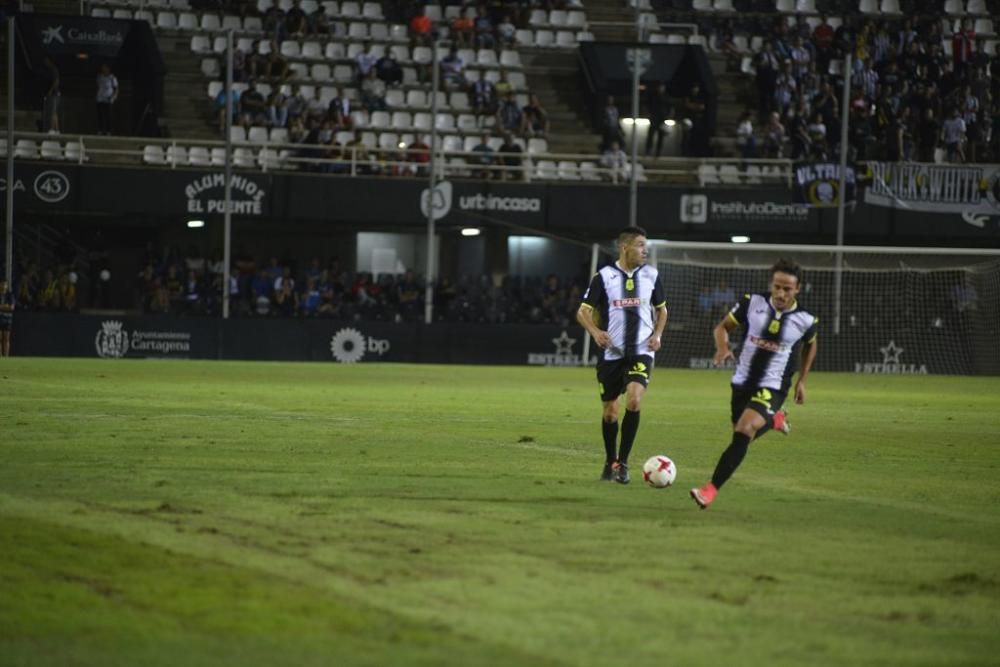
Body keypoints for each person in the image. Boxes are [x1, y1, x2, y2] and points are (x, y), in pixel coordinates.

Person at [690, 259, 818, 510]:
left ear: (798, 289)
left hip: (773, 385)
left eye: (787, 289)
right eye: (777, 286)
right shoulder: (752, 303)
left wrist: (801, 380)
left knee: (745, 429)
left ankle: (710, 490)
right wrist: (723, 347)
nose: (781, 293)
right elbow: (722, 327)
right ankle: (775, 420)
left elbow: (811, 345)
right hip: (742, 381)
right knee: (740, 431)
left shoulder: (805, 319)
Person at [576, 226, 668, 484]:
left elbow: (662, 311)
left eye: (645, 245)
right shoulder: (604, 277)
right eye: (640, 245)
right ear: (624, 247)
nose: (644, 250)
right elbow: (582, 311)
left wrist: (657, 336)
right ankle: (610, 460)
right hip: (611, 354)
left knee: (635, 401)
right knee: (610, 413)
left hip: (641, 350)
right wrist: (595, 332)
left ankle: (624, 463)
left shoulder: (651, 275)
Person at [95, 63, 118, 135]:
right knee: (100, 116)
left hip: (108, 100)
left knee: (108, 116)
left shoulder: (112, 77)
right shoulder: (99, 77)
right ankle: (100, 131)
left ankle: (109, 131)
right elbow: (98, 86)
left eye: (105, 68)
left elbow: (116, 89)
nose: (103, 69)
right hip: (100, 99)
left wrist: (113, 97)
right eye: (102, 68)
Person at [0, 278, 13, 357]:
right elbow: (8, 307)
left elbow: (11, 307)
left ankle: (6, 356)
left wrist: (1, 307)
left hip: (7, 319)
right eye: (1, 284)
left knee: (6, 338)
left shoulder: (10, 295)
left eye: (4, 284)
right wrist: (6, 306)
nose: (3, 286)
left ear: (7, 286)